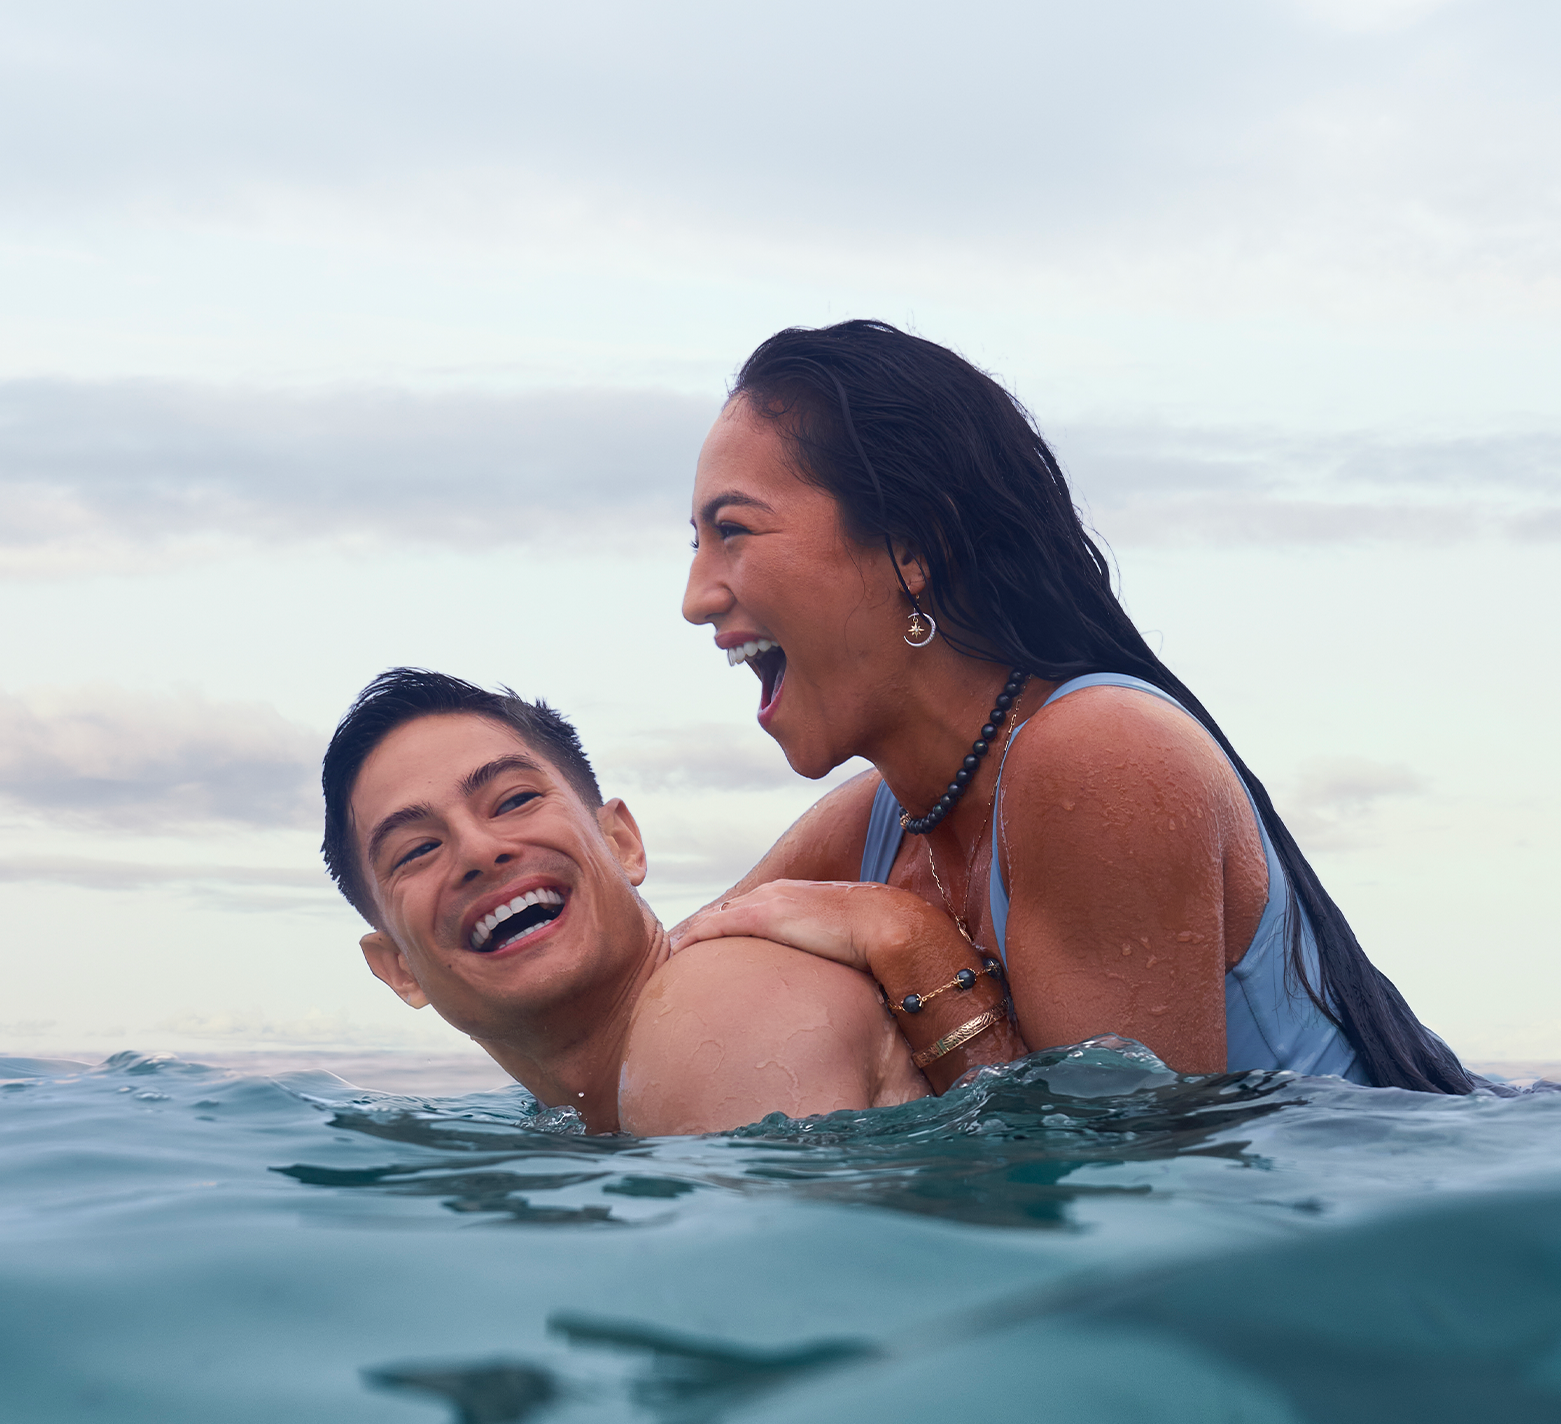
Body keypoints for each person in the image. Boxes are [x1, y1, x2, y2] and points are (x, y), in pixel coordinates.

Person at [672, 320, 1474, 1094]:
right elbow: (640, 1004)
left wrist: (907, 942)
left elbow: (1120, 1179)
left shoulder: (1103, 753)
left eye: (732, 530)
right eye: (695, 544)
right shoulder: (871, 827)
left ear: (912, 548)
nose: (694, 598)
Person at [319, 668, 933, 1134]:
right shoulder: (591, 1106)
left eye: (513, 801)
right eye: (417, 849)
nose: (480, 850)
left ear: (622, 843)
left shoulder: (721, 1003)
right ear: (398, 968)